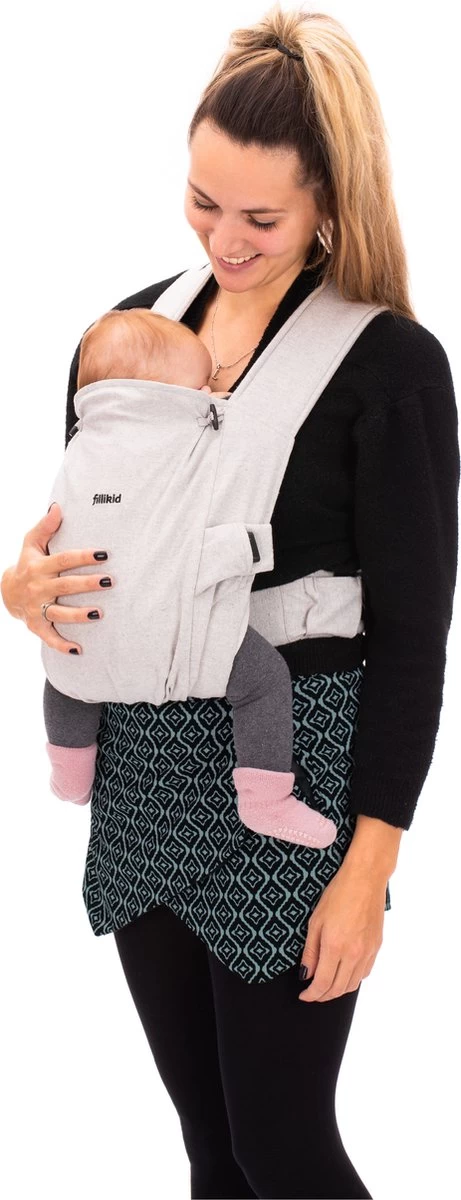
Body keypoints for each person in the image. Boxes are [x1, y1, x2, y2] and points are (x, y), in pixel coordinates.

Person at [2, 6, 459, 1198]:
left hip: (293, 787)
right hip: (142, 776)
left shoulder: (388, 367)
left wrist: (366, 866)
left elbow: (413, 641)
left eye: (261, 218)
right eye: (202, 202)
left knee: (280, 1148)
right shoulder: (125, 336)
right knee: (211, 1152)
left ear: (328, 203)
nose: (223, 238)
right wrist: (25, 587)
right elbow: (86, 535)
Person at [43, 304, 337, 849]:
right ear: (157, 394)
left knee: (67, 680)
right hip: (180, 635)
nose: (211, 392)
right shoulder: (191, 435)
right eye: (202, 386)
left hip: (80, 626)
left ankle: (69, 770)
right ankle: (266, 799)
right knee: (263, 681)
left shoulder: (85, 442)